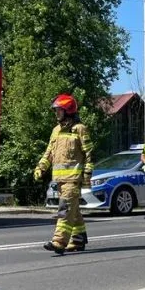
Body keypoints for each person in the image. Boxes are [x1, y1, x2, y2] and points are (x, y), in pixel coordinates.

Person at [34, 94, 93, 254]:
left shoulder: (80, 129)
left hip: (73, 179)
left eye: (59, 111)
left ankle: (59, 242)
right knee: (73, 211)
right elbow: (49, 153)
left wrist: (87, 174)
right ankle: (78, 240)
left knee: (65, 210)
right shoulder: (56, 131)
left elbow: (89, 154)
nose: (56, 114)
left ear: (68, 111)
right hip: (60, 180)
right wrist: (41, 167)